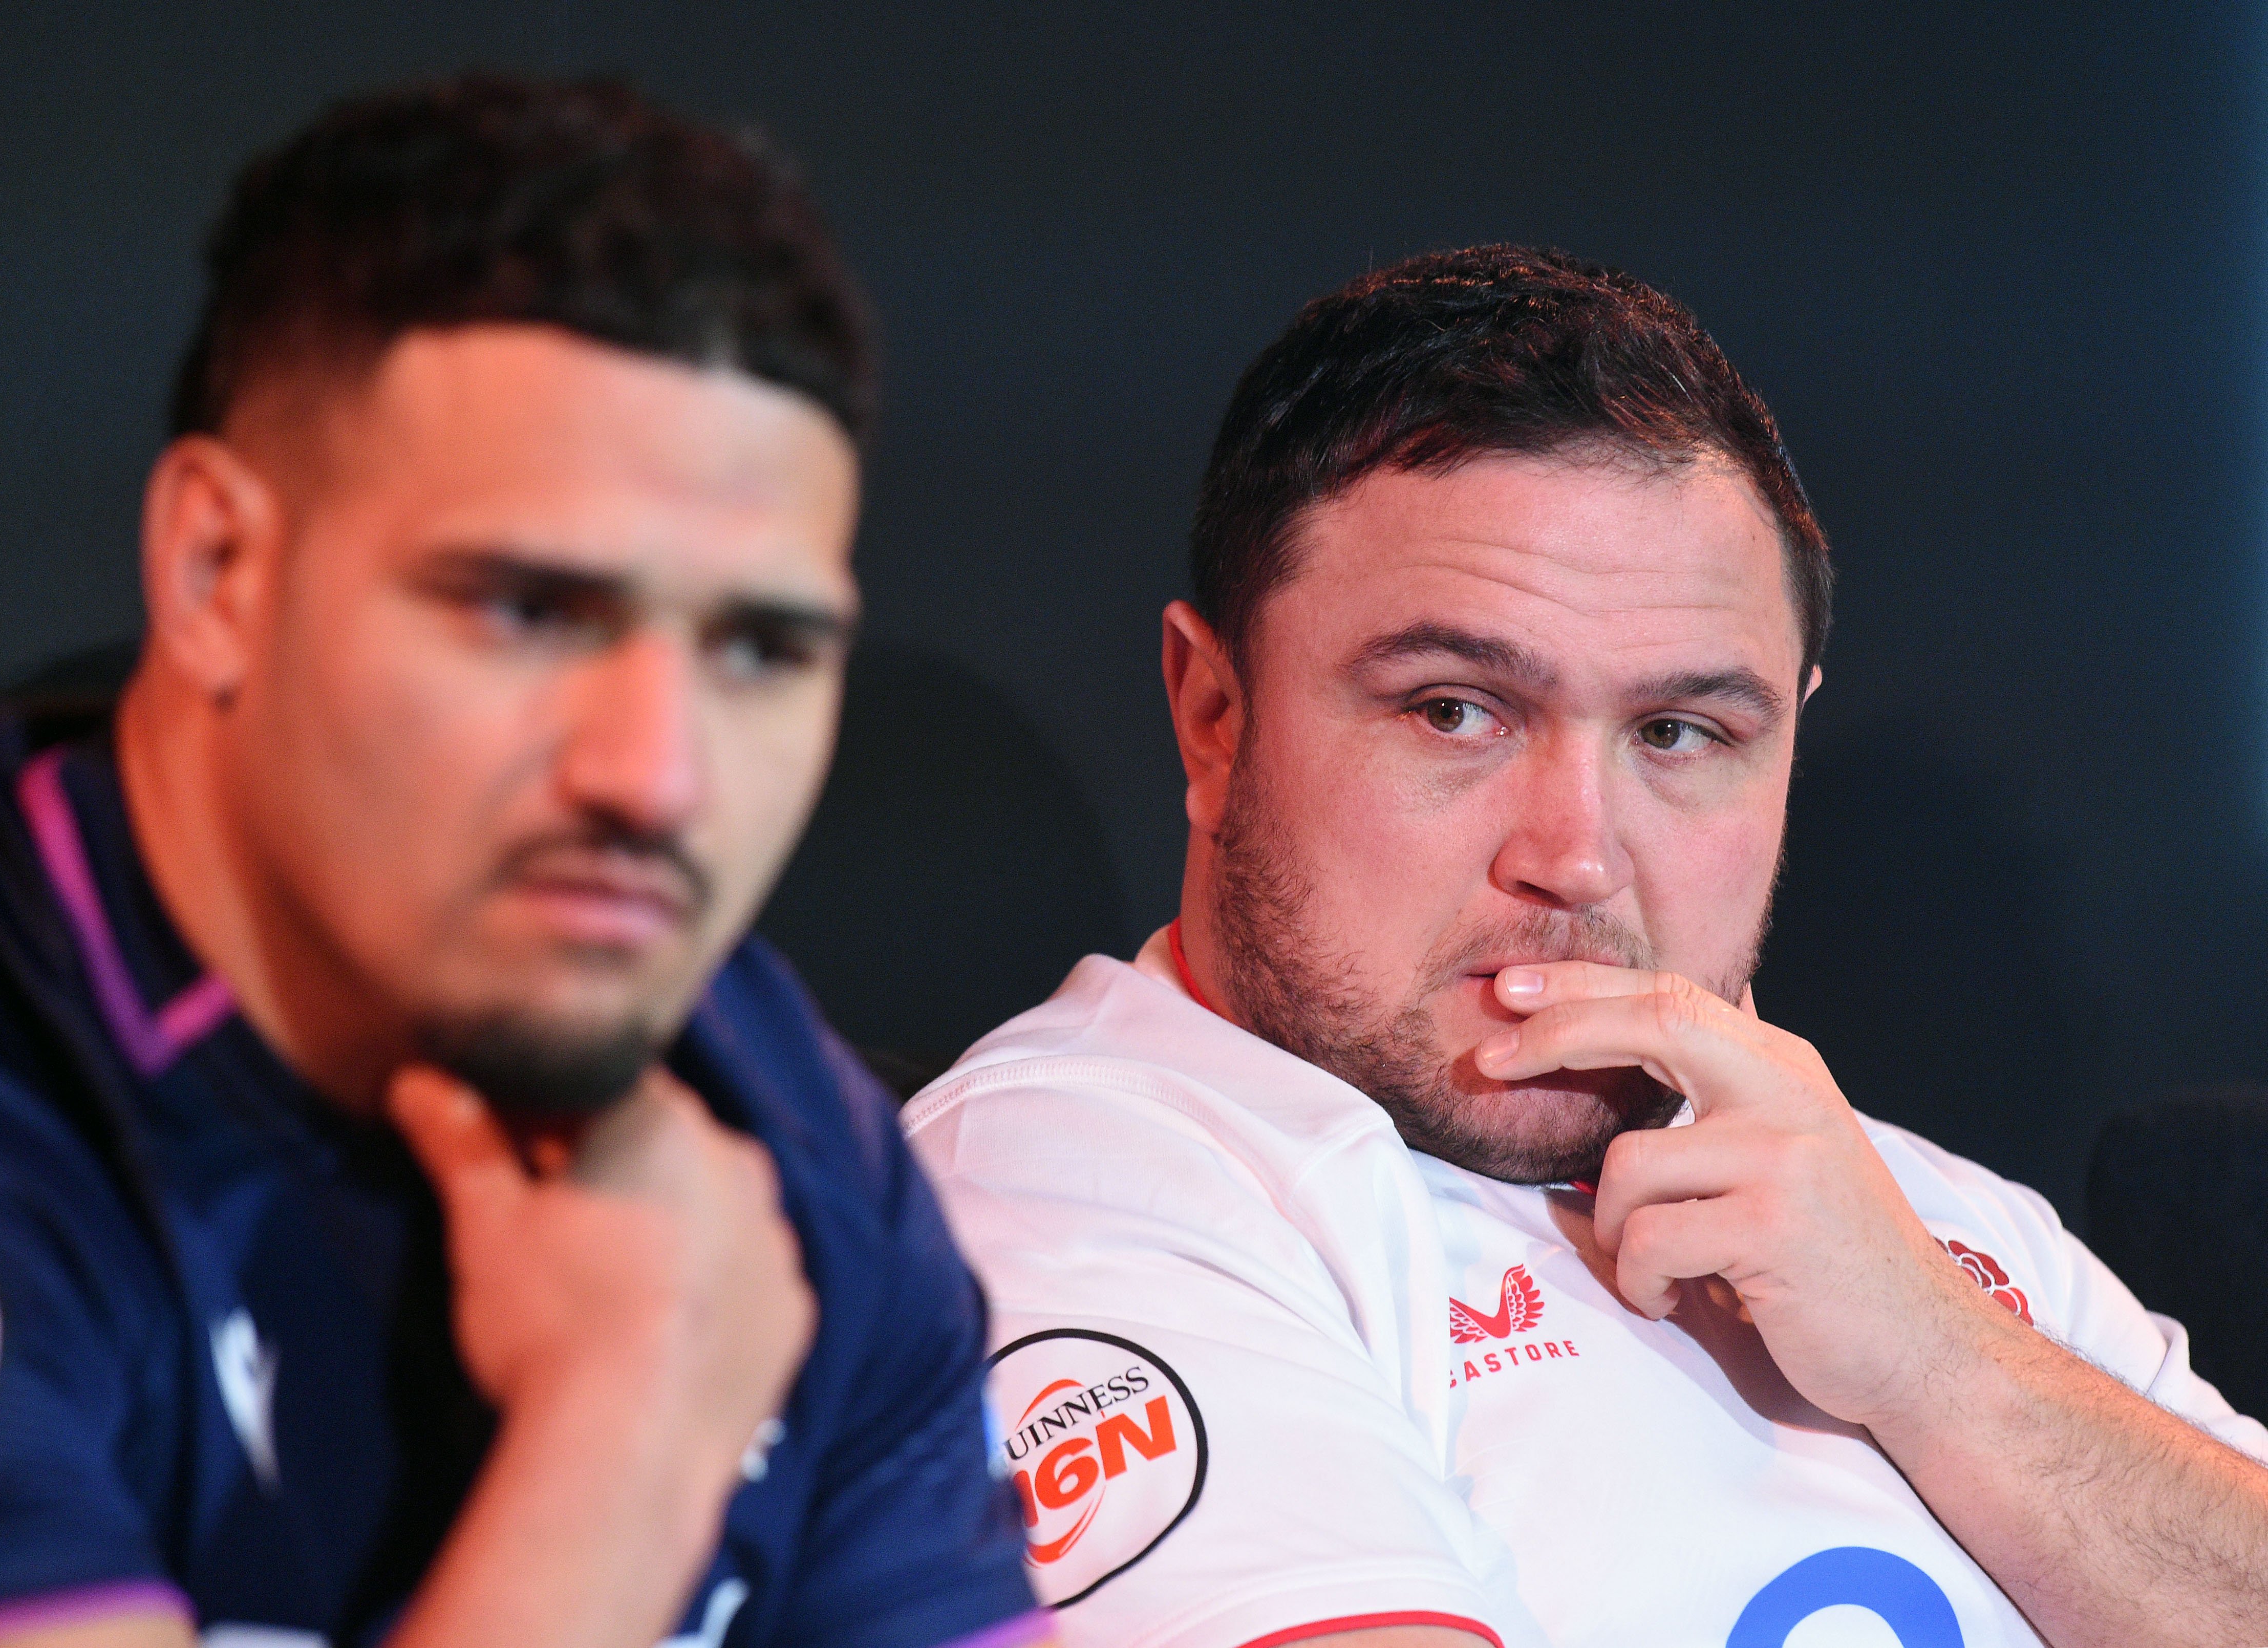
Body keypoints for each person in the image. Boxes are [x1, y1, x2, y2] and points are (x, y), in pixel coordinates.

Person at [905, 246, 2268, 1648]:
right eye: (1453, 710)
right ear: (1214, 714)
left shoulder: (1903, 1214)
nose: (1574, 854)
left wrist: (1944, 1362)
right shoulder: (1066, 1181)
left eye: (1681, 734)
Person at [0, 75, 1045, 1648]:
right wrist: (626, 1437)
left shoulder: (793, 1148)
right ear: (218, 569)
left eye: (763, 649)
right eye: (527, 611)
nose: (656, 773)